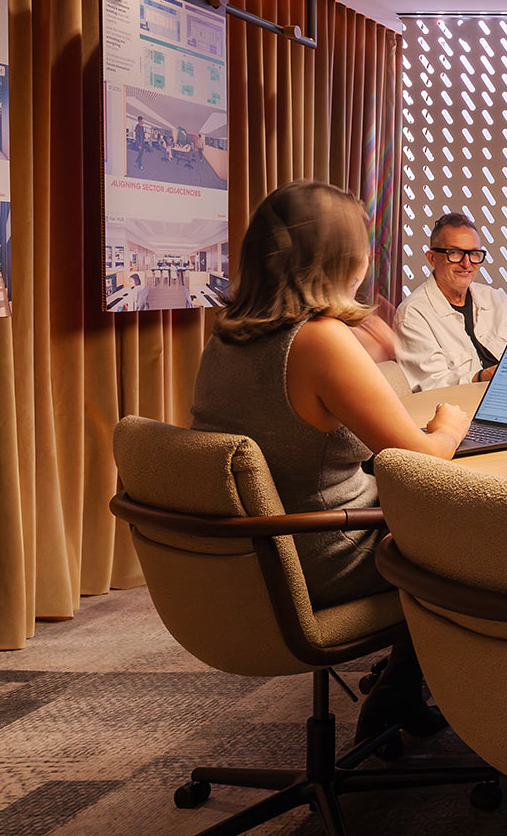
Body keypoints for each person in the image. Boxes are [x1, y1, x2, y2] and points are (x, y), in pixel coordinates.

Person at [191, 181, 469, 739]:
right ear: (345, 257)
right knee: (480, 541)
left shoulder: (227, 336)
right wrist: (451, 421)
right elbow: (425, 457)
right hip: (322, 554)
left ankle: (397, 691)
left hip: (251, 555)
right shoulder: (320, 340)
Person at [394, 212, 507, 391]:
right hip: (460, 409)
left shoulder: (495, 299)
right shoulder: (413, 314)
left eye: (474, 254)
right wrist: (480, 378)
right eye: (454, 253)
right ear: (432, 258)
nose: (466, 263)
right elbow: (431, 385)